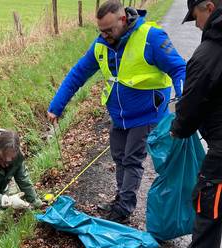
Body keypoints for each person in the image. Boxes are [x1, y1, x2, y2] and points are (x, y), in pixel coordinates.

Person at [47, 0, 186, 223]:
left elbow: (179, 67)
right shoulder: (102, 43)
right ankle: (121, 198)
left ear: (123, 20)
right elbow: (78, 74)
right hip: (119, 115)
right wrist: (56, 106)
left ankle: (124, 208)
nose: (104, 35)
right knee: (119, 157)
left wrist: (183, 97)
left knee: (132, 159)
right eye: (100, 31)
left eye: (109, 30)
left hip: (147, 113)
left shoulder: (151, 37)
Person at [168, 0, 222, 248]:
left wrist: (178, 129)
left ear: (210, 7)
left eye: (197, 16)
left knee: (209, 203)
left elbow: (191, 103)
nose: (197, 23)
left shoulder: (210, 52)